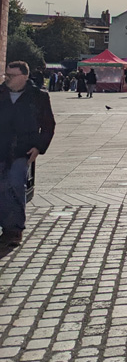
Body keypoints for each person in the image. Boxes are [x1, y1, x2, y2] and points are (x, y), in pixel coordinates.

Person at [0, 61, 56, 247]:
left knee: (15, 184)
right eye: (6, 75)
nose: (7, 78)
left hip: (22, 150)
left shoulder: (37, 96)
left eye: (12, 75)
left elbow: (48, 125)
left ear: (24, 76)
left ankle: (14, 230)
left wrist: (39, 147)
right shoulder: (1, 94)